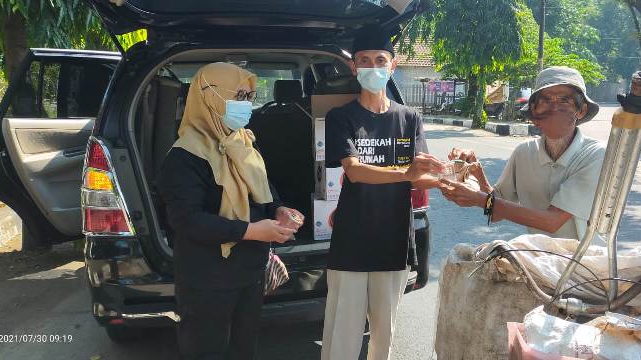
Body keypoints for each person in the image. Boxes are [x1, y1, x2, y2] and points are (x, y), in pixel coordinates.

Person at [156, 62, 304, 360]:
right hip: (207, 277)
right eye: (238, 96)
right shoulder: (185, 156)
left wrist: (278, 210)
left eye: (249, 97)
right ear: (210, 97)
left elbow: (262, 190)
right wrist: (251, 231)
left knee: (243, 348)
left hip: (249, 271)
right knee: (206, 350)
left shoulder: (244, 142)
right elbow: (186, 221)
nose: (246, 105)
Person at [320, 25, 445, 360]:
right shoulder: (341, 117)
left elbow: (419, 179)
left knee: (384, 334)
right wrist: (406, 173)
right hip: (351, 241)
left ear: (393, 65)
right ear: (354, 67)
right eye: (364, 60)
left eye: (380, 60)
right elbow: (355, 171)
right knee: (342, 333)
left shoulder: (409, 118)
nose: (372, 67)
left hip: (393, 241)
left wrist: (454, 181)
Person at [440, 66, 605, 241]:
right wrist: (478, 174)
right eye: (546, 101)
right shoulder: (524, 153)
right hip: (540, 257)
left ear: (581, 110)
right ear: (535, 112)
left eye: (565, 100)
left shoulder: (594, 154)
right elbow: (494, 213)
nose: (554, 109)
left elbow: (552, 221)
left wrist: (478, 199)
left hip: (583, 261)